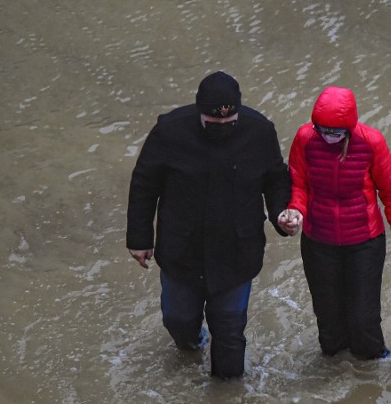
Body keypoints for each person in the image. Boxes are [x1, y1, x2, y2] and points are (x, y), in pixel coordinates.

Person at [126, 71, 297, 379]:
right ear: (199, 112)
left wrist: (282, 214)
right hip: (182, 249)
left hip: (236, 251)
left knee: (230, 331)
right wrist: (140, 237)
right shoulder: (169, 131)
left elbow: (276, 180)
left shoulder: (260, 132)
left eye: (228, 123)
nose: (221, 128)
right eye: (212, 123)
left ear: (238, 112)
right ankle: (194, 345)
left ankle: (227, 401)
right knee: (178, 320)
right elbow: (144, 183)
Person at [280, 85, 391, 360]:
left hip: (364, 242)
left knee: (363, 319)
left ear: (350, 129)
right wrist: (296, 210)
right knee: (328, 321)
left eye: (335, 133)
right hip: (318, 241)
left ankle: (373, 366)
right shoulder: (305, 138)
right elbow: (299, 184)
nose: (328, 137)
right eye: (323, 131)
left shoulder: (372, 142)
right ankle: (336, 370)